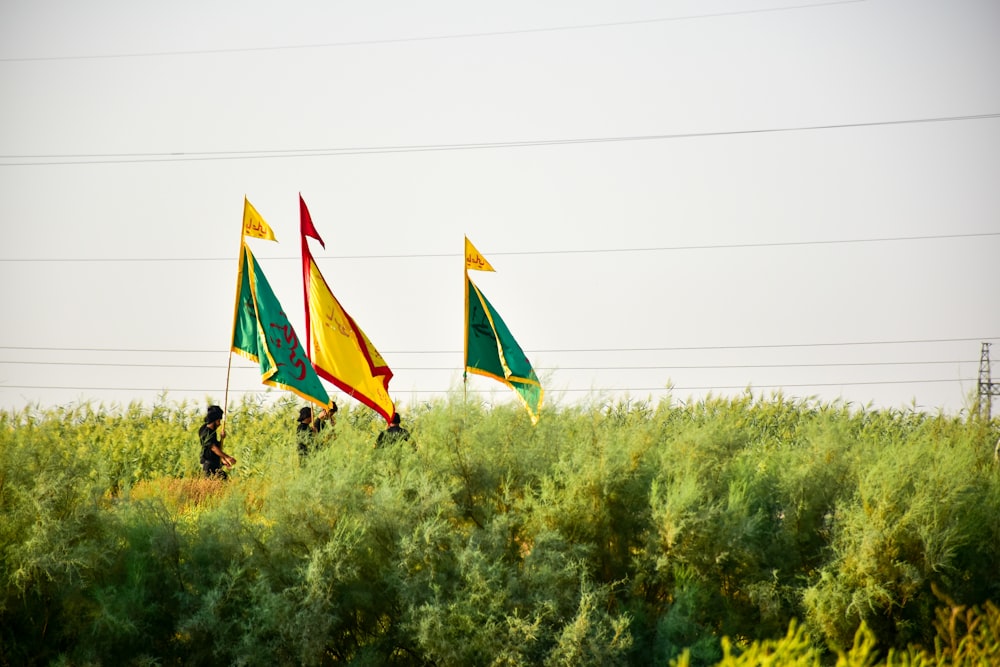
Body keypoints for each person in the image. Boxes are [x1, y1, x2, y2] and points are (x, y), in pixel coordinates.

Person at [199, 405, 235, 479]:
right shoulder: (206, 432)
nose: (219, 424)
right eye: (218, 421)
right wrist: (227, 457)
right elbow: (213, 448)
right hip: (209, 467)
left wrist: (223, 460)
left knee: (224, 482)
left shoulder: (212, 432)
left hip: (215, 465)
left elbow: (216, 448)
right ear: (214, 420)